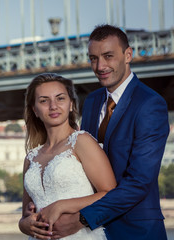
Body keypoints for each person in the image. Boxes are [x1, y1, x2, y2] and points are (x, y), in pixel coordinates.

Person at [24, 24, 170, 240]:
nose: (100, 66)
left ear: (128, 55)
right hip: (89, 231)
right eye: (93, 58)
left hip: (133, 229)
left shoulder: (149, 104)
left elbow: (139, 182)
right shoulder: (92, 101)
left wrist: (81, 219)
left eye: (108, 56)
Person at [18, 73, 117, 240]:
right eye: (44, 100)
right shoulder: (31, 157)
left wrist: (61, 205)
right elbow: (25, 215)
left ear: (71, 104)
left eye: (60, 98)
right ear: (34, 110)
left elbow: (110, 194)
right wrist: (24, 225)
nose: (53, 106)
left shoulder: (82, 141)